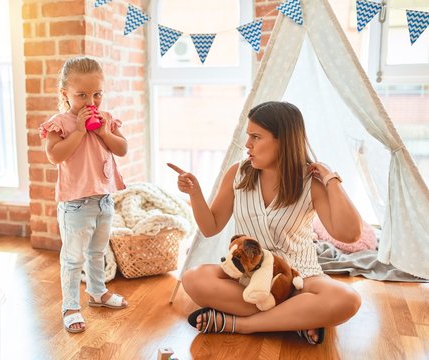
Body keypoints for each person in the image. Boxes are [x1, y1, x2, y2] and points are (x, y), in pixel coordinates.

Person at [168, 101, 362, 345]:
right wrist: (195, 193)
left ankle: (241, 325)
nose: (248, 144)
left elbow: (350, 234)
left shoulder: (311, 183)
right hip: (249, 275)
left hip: (301, 278)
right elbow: (211, 227)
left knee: (347, 299)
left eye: (256, 137)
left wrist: (330, 178)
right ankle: (296, 318)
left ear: (283, 140)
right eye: (248, 136)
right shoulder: (238, 173)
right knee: (193, 278)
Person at [40, 57, 128, 334]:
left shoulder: (106, 120)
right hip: (75, 205)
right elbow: (55, 155)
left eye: (97, 94)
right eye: (81, 95)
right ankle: (70, 306)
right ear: (64, 94)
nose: (91, 101)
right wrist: (79, 130)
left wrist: (103, 131)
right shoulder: (60, 124)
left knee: (98, 251)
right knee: (73, 258)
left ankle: (98, 292)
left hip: (103, 200)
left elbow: (122, 148)